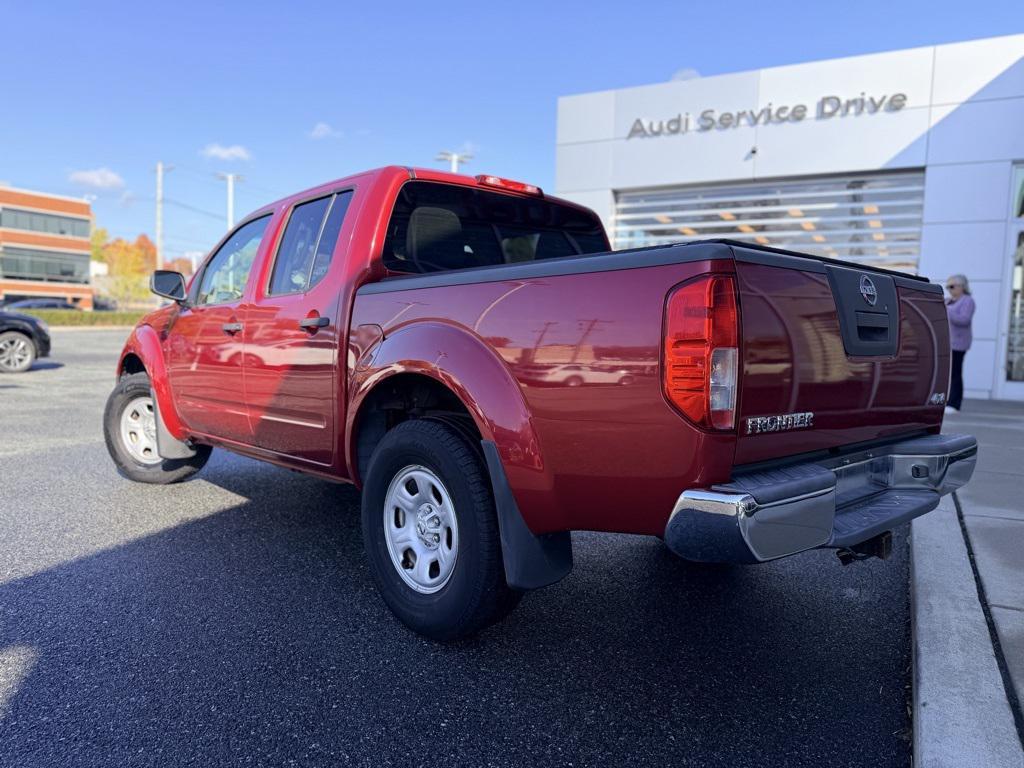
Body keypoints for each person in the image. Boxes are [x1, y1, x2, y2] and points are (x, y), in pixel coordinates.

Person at [945, 274, 975, 414]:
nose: (949, 289)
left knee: (955, 373)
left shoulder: (967, 301)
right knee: (948, 373)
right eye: (948, 287)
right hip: (946, 342)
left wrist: (947, 310)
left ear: (962, 286)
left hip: (958, 343)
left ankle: (955, 403)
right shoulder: (949, 301)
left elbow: (964, 320)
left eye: (952, 286)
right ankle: (947, 401)